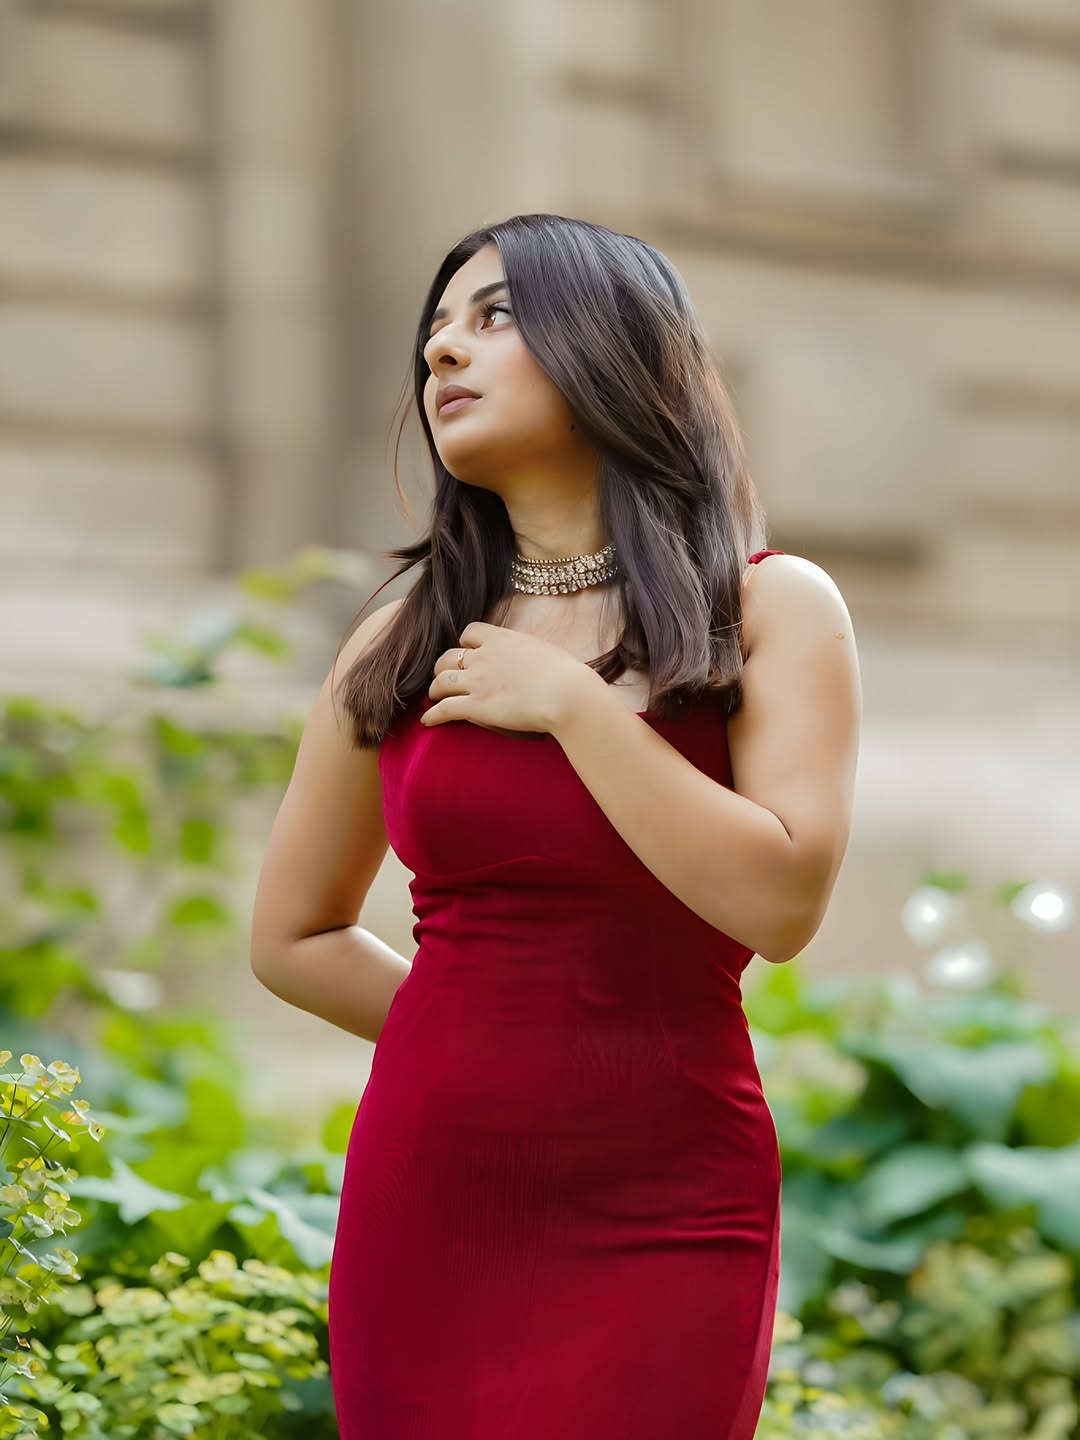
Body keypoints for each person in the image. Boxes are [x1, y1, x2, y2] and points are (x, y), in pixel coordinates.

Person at [249, 212, 862, 1438]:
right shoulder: (404, 636)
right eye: (432, 339)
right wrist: (480, 1030)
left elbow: (781, 903)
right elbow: (293, 937)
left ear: (611, 350)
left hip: (669, 1197)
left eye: (493, 317)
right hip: (430, 1196)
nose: (442, 358)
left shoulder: (770, 607)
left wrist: (577, 710)